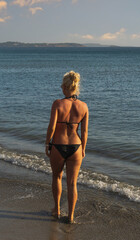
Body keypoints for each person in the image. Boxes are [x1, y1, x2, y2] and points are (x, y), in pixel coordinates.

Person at [45, 71, 89, 223]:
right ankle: (70, 216)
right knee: (72, 183)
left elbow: (51, 127)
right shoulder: (84, 106)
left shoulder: (57, 103)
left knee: (57, 177)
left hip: (58, 145)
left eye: (62, 85)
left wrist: (47, 143)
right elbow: (84, 131)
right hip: (76, 147)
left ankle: (56, 210)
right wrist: (83, 148)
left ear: (65, 87)